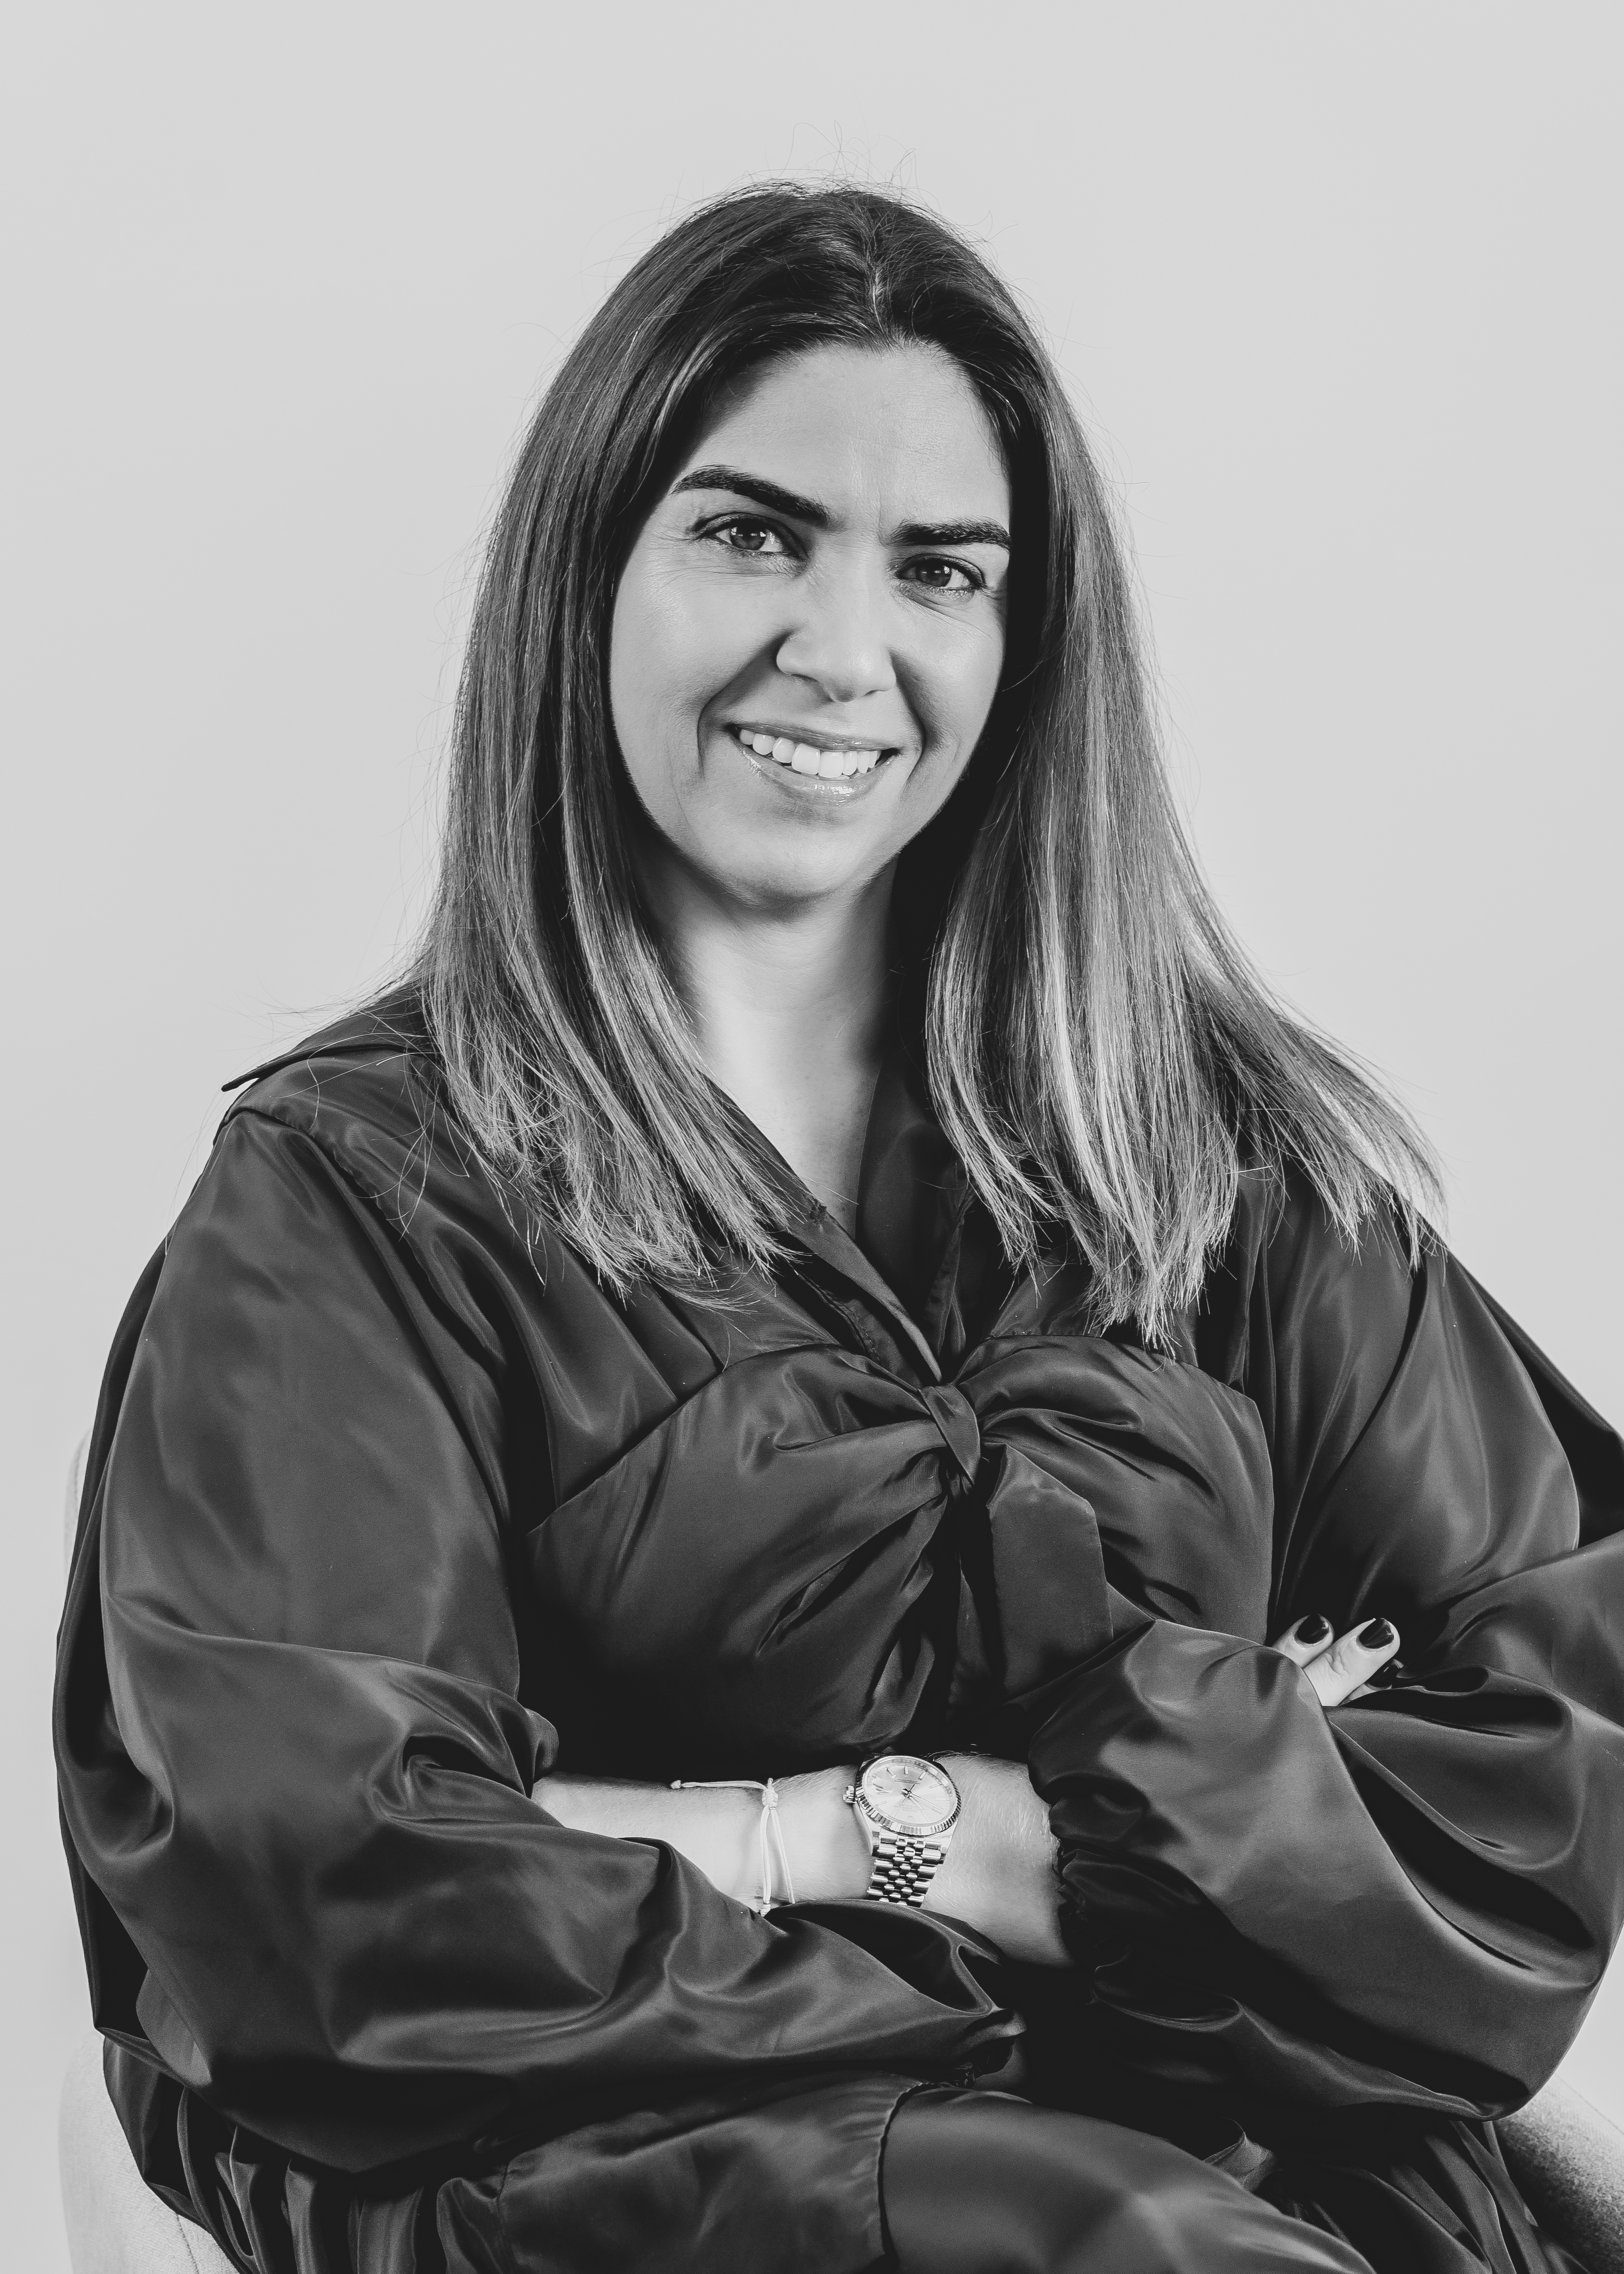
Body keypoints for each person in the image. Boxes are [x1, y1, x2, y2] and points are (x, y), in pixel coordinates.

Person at [55, 183, 1624, 2274]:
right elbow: (323, 1895)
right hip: (605, 2170)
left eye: (939, 569)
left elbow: (1534, 1791)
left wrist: (877, 1835)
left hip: (1243, 2157)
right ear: (589, 570)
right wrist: (1129, 1849)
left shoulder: (1214, 1163)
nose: (843, 649)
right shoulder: (355, 1202)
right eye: (753, 531)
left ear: (1021, 638)